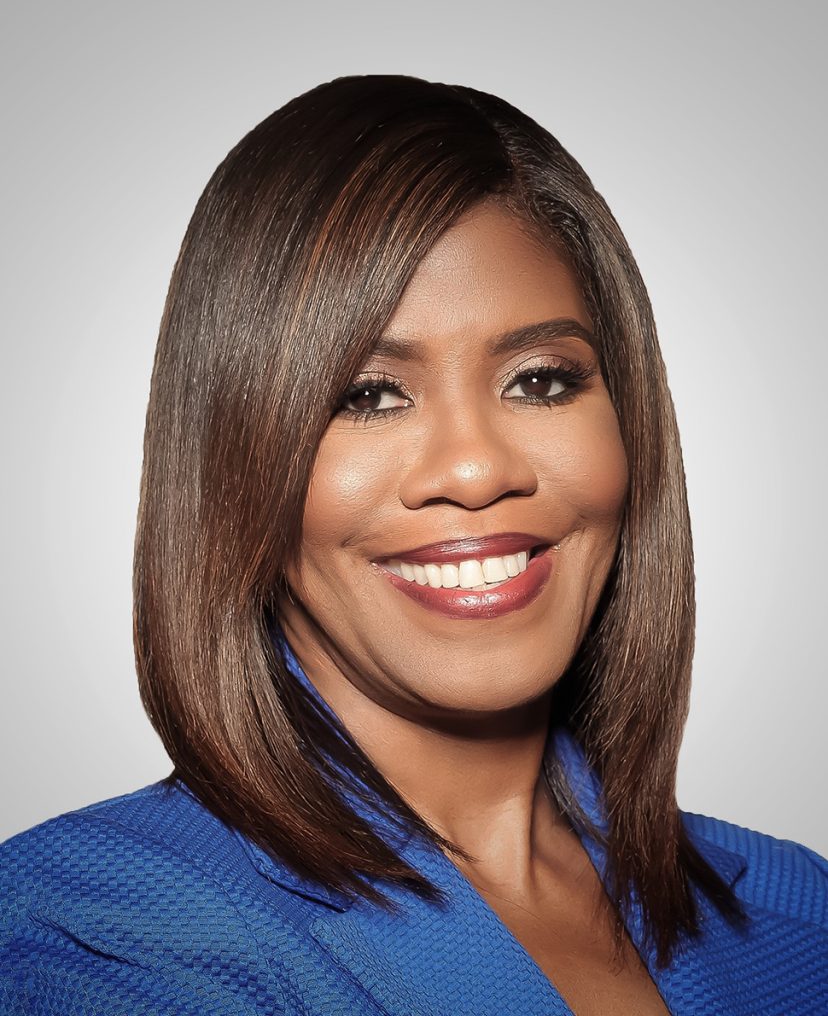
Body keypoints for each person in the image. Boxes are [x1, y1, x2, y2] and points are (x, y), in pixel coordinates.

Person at [1, 74, 825, 1016]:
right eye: (368, 395)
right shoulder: (92, 938)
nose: (474, 470)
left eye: (541, 380)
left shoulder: (801, 916)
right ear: (233, 460)